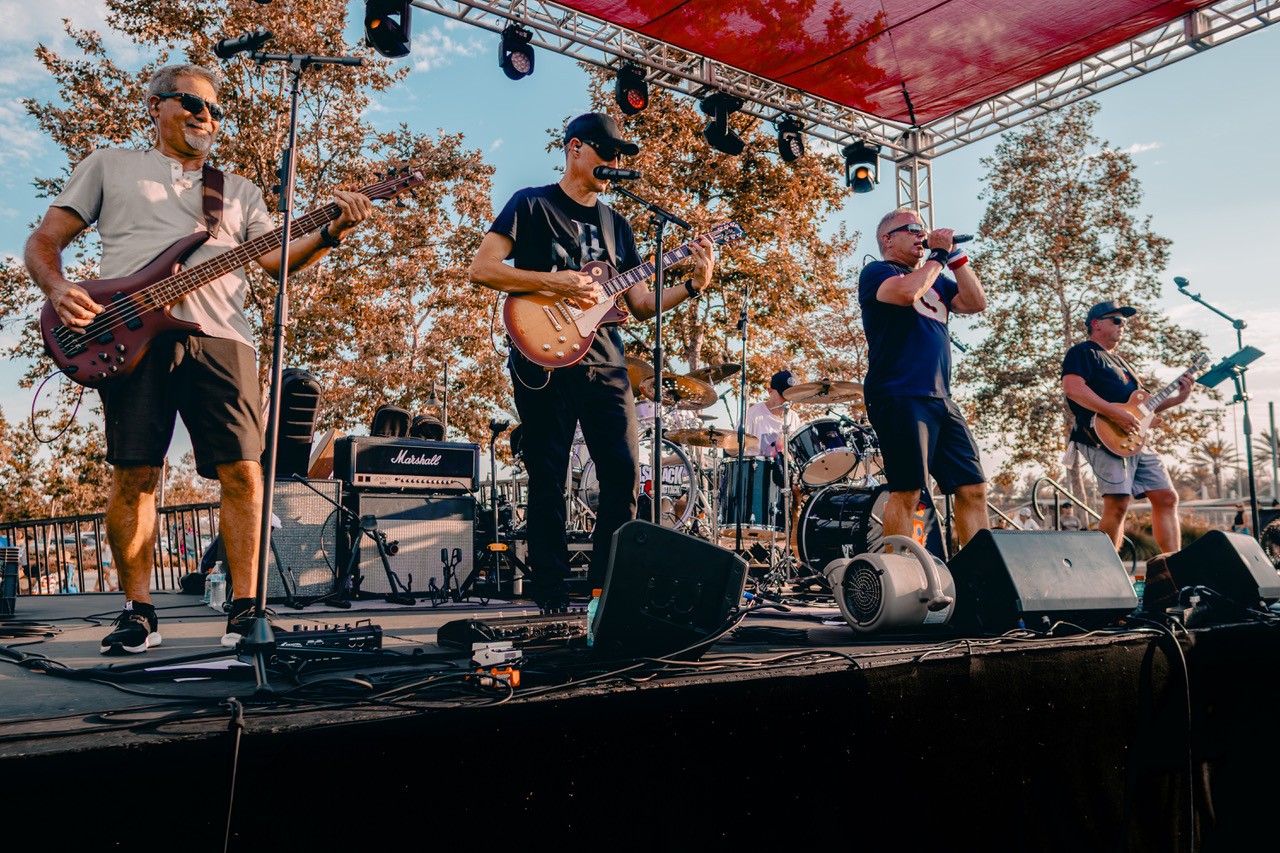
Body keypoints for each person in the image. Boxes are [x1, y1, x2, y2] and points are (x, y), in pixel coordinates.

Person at [24, 64, 373, 653]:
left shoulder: (237, 190)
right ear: (155, 105)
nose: (205, 117)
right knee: (135, 473)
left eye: (213, 109)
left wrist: (332, 230)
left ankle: (244, 610)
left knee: (244, 471)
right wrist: (57, 289)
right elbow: (44, 241)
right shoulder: (110, 165)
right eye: (191, 103)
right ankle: (137, 613)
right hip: (129, 335)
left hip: (223, 338)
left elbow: (277, 261)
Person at [468, 112, 715, 609]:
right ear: (575, 147)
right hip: (543, 360)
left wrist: (693, 284)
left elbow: (641, 304)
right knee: (548, 473)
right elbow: (482, 268)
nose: (612, 162)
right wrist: (552, 282)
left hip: (606, 362)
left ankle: (607, 588)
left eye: (618, 156)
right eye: (605, 153)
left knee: (623, 474)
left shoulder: (617, 224)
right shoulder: (531, 204)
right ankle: (551, 591)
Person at [856, 208, 989, 549]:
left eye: (924, 230)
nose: (921, 235)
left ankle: (980, 579)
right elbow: (904, 294)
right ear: (888, 239)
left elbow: (976, 302)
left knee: (972, 488)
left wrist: (955, 257)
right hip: (898, 395)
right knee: (909, 491)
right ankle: (899, 575)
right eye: (913, 229)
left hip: (941, 398)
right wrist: (938, 255)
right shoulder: (878, 272)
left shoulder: (938, 281)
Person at [1061, 300, 1192, 554]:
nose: (1123, 326)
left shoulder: (1123, 363)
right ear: (1096, 324)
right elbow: (1073, 389)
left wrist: (1179, 398)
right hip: (1101, 434)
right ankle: (1106, 571)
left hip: (1136, 438)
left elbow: (1143, 409)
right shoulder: (1084, 352)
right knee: (1118, 503)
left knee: (1167, 497)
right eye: (1117, 320)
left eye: (1125, 322)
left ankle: (1173, 565)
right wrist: (1114, 413)